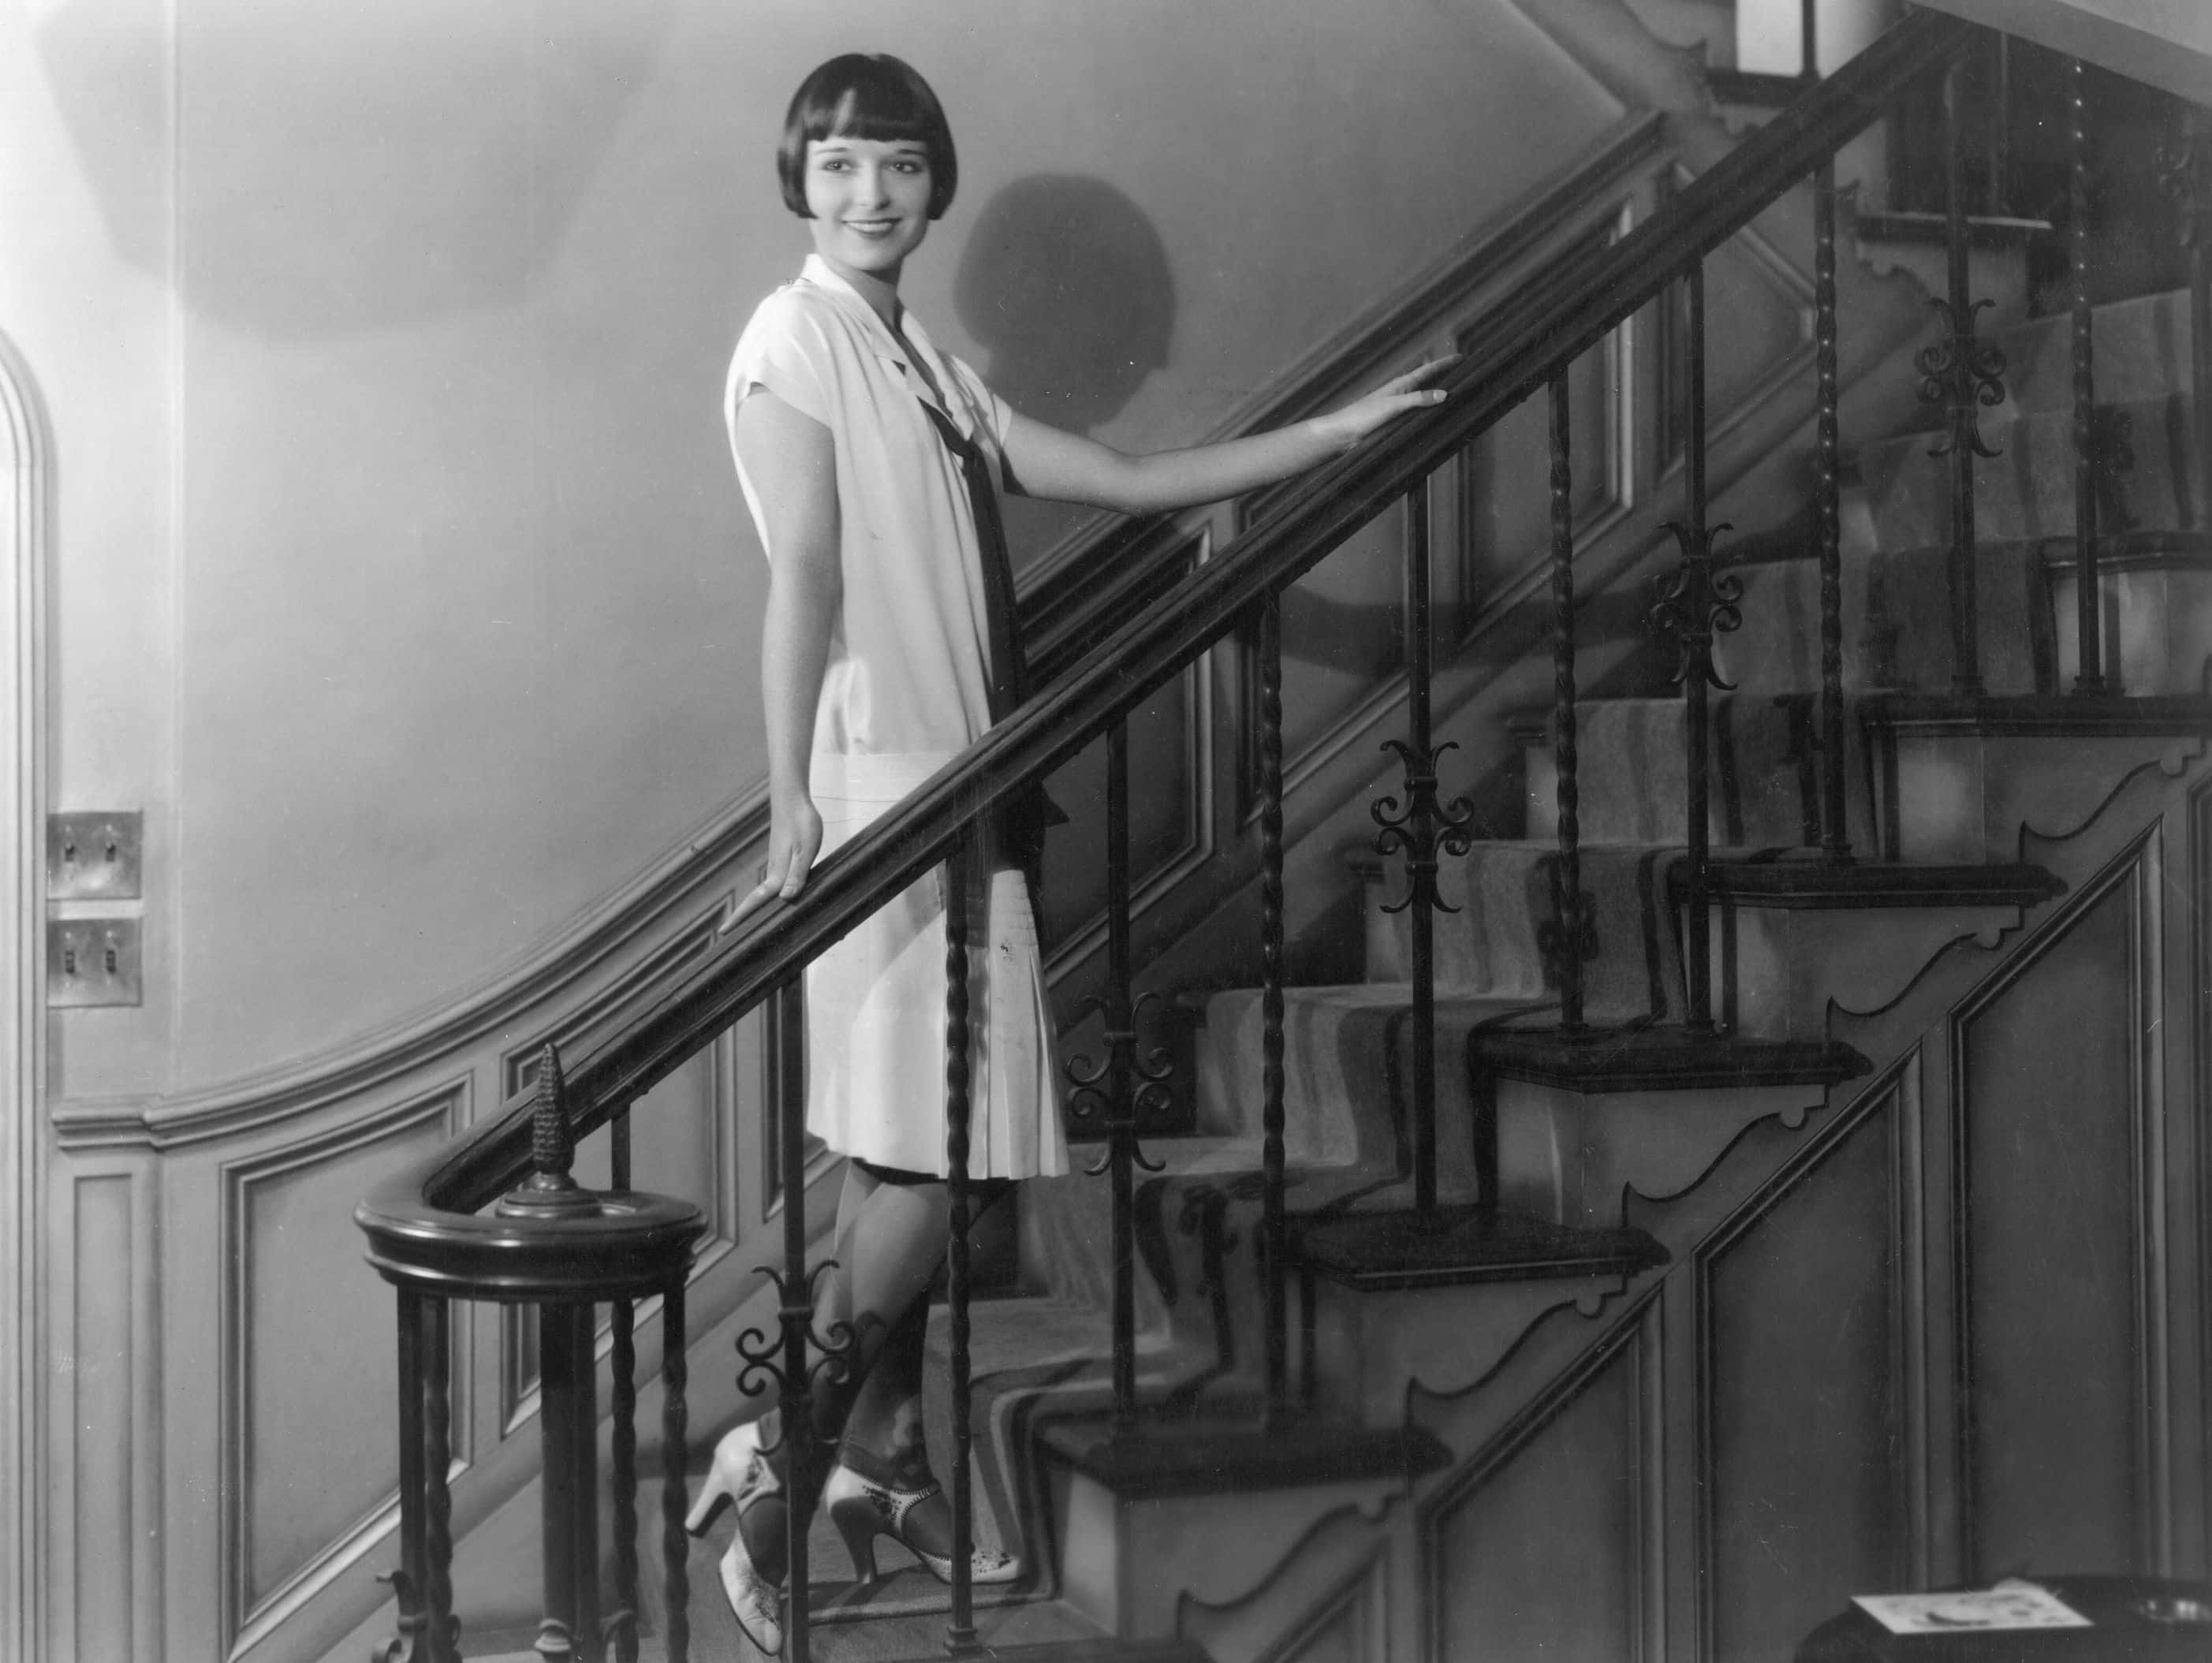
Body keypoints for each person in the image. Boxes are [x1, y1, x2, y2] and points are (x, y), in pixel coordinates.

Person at [687, 50, 1453, 1654]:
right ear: (797, 181)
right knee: (922, 1156)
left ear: (932, 180)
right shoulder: (794, 340)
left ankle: (874, 1449)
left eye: (895, 164)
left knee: (921, 1151)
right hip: (888, 792)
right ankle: (779, 1461)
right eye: (834, 166)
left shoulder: (926, 364)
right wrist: (791, 804)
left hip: (966, 788)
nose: (868, 192)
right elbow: (806, 576)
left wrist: (1329, 431)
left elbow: (1131, 479)